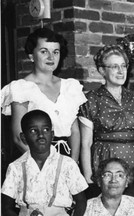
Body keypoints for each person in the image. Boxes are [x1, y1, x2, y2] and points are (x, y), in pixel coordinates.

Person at [1, 27, 86, 161]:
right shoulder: (21, 88)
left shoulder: (70, 87)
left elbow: (74, 131)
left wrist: (72, 165)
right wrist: (47, 165)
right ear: (31, 56)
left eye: (55, 52)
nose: (51, 57)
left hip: (66, 158)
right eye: (44, 51)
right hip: (34, 158)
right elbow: (18, 137)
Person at [79, 45, 134, 185]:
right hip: (106, 160)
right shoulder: (91, 99)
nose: (121, 71)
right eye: (114, 67)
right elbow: (86, 144)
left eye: (123, 66)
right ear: (102, 70)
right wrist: (88, 179)